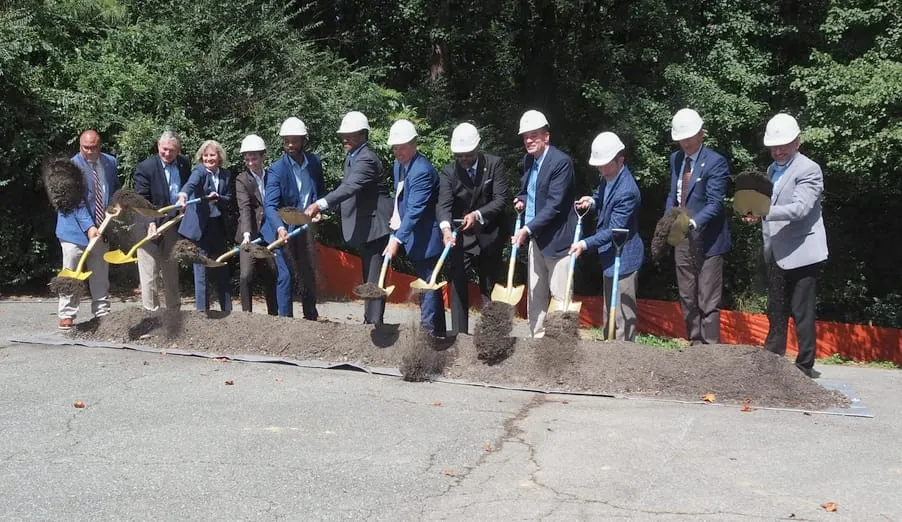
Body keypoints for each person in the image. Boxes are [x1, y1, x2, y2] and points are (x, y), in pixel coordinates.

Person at [743, 113, 828, 378]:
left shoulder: (809, 170)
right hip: (777, 250)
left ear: (797, 143)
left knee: (802, 311)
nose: (778, 151)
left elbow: (801, 208)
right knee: (775, 307)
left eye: (783, 145)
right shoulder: (770, 171)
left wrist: (762, 210)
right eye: (774, 146)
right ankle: (773, 359)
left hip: (803, 253)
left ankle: (805, 366)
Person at [305, 111, 393, 325]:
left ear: (363, 135)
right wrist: (326, 212)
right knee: (368, 277)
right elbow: (349, 194)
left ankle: (374, 325)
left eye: (350, 134)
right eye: (343, 134)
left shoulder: (366, 159)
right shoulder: (353, 157)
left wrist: (319, 204)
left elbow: (349, 188)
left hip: (377, 226)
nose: (345, 138)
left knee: (374, 279)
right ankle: (369, 323)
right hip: (367, 226)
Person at [665, 108, 731, 345]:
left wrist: (694, 222)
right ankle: (694, 343)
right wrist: (667, 222)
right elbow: (673, 195)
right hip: (681, 236)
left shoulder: (716, 162)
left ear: (701, 134)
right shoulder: (676, 160)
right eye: (681, 138)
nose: (685, 142)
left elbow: (715, 204)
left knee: (707, 298)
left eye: (690, 137)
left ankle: (710, 349)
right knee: (687, 294)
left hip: (709, 240)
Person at [436, 122, 509, 334]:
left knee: (489, 286)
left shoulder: (495, 164)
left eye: (467, 154)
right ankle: (459, 334)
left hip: (490, 235)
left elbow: (501, 199)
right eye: (459, 155)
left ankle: (492, 335)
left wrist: (478, 215)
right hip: (461, 237)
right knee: (458, 283)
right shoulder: (449, 172)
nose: (464, 159)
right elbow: (443, 205)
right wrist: (446, 230)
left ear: (477, 148)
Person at [570, 132, 644, 341]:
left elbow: (614, 230)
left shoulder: (628, 191)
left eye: (605, 164)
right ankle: (608, 349)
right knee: (609, 309)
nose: (601, 169)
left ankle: (623, 354)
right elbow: (602, 197)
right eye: (599, 165)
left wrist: (585, 243)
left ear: (620, 160)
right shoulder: (609, 177)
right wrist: (592, 202)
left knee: (622, 313)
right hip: (610, 254)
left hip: (625, 256)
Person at [512, 110, 578, 338]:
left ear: (546, 136)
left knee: (560, 295)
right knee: (535, 293)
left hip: (558, 241)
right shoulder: (529, 161)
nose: (528, 140)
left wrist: (527, 229)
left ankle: (562, 343)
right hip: (535, 239)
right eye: (525, 136)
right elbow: (528, 190)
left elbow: (554, 205)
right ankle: (537, 338)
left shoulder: (561, 163)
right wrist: (521, 200)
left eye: (534, 135)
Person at [383, 119, 447, 336]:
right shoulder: (398, 166)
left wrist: (397, 239)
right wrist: (395, 222)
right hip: (413, 235)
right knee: (428, 283)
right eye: (395, 147)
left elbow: (415, 210)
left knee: (428, 284)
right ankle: (437, 331)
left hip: (427, 237)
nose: (398, 151)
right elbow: (401, 199)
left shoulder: (421, 171)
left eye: (402, 147)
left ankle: (428, 333)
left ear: (414, 144)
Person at [56, 130, 121, 330]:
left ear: (100, 145)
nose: (90, 151)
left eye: (94, 147)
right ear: (80, 145)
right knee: (72, 272)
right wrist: (89, 227)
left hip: (101, 228)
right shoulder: (70, 168)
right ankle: (67, 314)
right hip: (73, 231)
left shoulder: (110, 162)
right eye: (86, 147)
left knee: (100, 272)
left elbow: (114, 188)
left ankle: (101, 313)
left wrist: (116, 205)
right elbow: (74, 202)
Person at [262, 117, 325, 319]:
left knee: (307, 273)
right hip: (281, 229)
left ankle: (310, 318)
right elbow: (270, 205)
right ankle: (285, 322)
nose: (290, 145)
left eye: (294, 140)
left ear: (303, 140)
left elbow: (319, 195)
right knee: (287, 275)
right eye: (286, 140)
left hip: (304, 228)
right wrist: (280, 229)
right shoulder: (277, 170)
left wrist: (318, 211)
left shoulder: (314, 163)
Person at [133, 131, 191, 311]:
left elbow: (188, 187)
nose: (167, 154)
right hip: (147, 223)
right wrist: (150, 223)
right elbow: (140, 200)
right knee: (149, 272)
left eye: (172, 151)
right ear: (158, 145)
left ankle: (174, 313)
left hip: (172, 223)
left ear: (178, 150)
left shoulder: (184, 164)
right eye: (164, 149)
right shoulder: (146, 167)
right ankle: (151, 314)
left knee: (171, 271)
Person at [177, 140, 233, 312]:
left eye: (212, 155)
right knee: (200, 270)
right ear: (202, 157)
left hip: (217, 226)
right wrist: (183, 194)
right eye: (206, 155)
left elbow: (229, 198)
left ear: (219, 157)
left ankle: (227, 310)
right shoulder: (199, 171)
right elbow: (191, 184)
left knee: (221, 266)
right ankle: (202, 312)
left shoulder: (225, 174)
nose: (209, 158)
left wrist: (218, 198)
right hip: (200, 228)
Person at [234, 134, 277, 314]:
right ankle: (246, 315)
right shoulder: (242, 179)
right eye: (248, 159)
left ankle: (274, 314)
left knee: (272, 274)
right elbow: (244, 208)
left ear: (262, 156)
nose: (251, 162)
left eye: (254, 158)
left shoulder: (273, 175)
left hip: (270, 233)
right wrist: (246, 235)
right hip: (249, 234)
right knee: (246, 276)